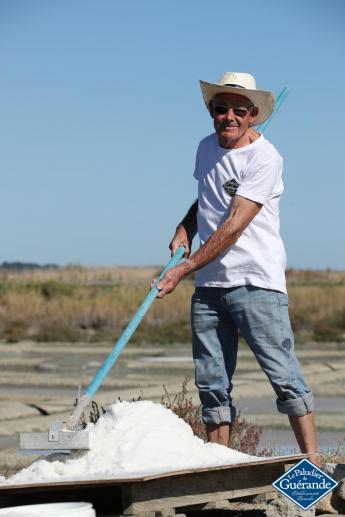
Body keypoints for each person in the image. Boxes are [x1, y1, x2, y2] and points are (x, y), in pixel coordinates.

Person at [155, 71, 319, 464]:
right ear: (212, 111)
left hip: (255, 282)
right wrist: (186, 226)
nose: (228, 116)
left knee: (283, 376)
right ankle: (219, 466)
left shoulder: (266, 158)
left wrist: (184, 268)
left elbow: (233, 225)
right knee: (211, 382)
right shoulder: (204, 148)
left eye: (238, 110)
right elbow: (206, 200)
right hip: (210, 286)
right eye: (221, 108)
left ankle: (312, 466)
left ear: (253, 115)